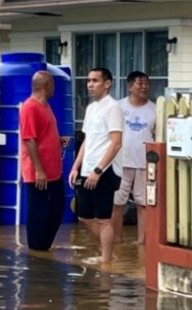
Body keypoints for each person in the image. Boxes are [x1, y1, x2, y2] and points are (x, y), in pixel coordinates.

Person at [68, 67, 123, 264]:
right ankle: (107, 252)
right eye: (89, 80)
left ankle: (107, 261)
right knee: (84, 216)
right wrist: (75, 167)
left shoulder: (113, 107)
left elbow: (116, 142)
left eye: (95, 80)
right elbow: (87, 140)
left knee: (103, 219)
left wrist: (98, 170)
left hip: (105, 171)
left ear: (107, 84)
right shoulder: (91, 108)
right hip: (86, 169)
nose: (90, 84)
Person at [19, 70, 69, 251]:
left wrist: (57, 141)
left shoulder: (46, 106)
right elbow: (29, 139)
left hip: (54, 170)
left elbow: (43, 134)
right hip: (39, 172)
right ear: (46, 85)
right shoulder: (30, 107)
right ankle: (36, 248)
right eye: (53, 84)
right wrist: (39, 170)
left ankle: (44, 246)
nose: (55, 88)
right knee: (38, 210)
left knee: (56, 207)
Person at [113, 71, 155, 244]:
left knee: (143, 203)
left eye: (146, 83)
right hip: (120, 162)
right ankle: (116, 241)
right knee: (117, 203)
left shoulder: (155, 109)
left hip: (144, 164)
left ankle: (142, 243)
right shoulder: (119, 107)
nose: (144, 87)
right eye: (139, 83)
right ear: (130, 86)